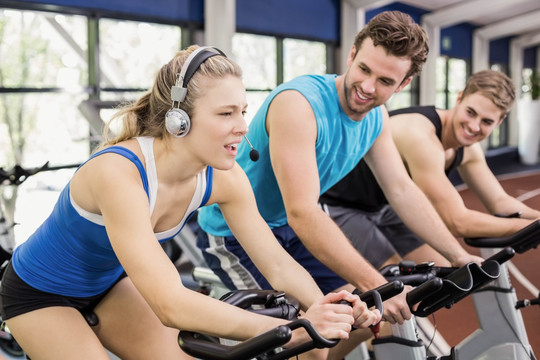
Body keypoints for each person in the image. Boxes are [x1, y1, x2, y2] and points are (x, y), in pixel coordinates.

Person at [0, 45, 380, 360]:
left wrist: (327, 310)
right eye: (226, 113)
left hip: (109, 284)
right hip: (39, 293)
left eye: (243, 111)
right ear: (178, 119)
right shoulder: (119, 174)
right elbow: (170, 305)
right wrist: (290, 328)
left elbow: (278, 265)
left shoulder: (225, 177)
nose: (243, 126)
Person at [196, 10, 482, 358]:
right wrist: (376, 283)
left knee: (362, 319)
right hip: (236, 233)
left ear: (403, 84)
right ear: (351, 55)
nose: (367, 87)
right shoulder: (299, 105)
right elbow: (302, 211)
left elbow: (402, 190)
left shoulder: (376, 118)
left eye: (385, 81)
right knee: (304, 339)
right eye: (364, 69)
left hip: (290, 232)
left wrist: (459, 255)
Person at [319, 69, 540, 268]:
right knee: (397, 279)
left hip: (385, 207)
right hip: (340, 205)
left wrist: (536, 219)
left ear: (499, 122)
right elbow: (456, 221)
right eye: (470, 112)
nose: (474, 126)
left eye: (486, 122)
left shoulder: (469, 150)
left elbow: (499, 202)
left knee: (444, 268)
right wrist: (524, 227)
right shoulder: (420, 135)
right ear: (460, 98)